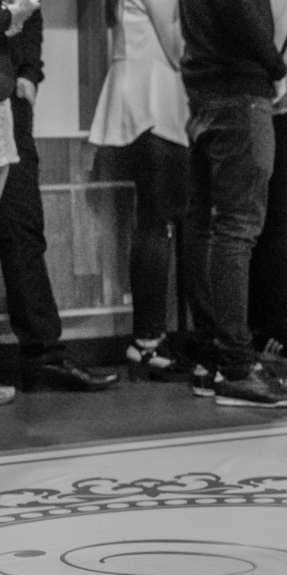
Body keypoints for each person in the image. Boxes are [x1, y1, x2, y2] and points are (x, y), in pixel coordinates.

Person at [180, 0, 287, 407]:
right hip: (241, 95)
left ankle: (217, 358)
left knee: (215, 231)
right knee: (237, 231)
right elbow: (244, 17)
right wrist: (278, 71)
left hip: (204, 93)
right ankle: (237, 368)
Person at [1, 1, 120, 394]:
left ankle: (43, 356)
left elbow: (30, 11)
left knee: (24, 228)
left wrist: (30, 74)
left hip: (8, 103)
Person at [89, 0, 191, 382]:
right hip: (156, 104)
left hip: (144, 101)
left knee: (152, 220)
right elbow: (179, 46)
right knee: (156, 223)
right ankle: (147, 339)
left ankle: (149, 337)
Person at [245, 0, 287, 367]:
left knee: (277, 220)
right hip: (244, 101)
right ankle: (244, 329)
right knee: (241, 223)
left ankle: (274, 326)